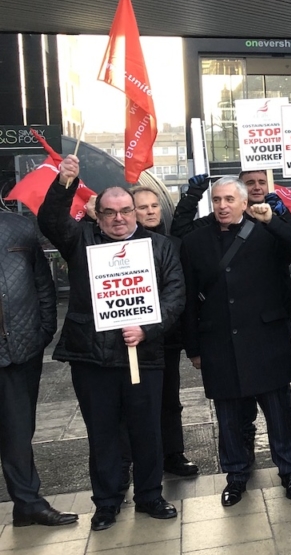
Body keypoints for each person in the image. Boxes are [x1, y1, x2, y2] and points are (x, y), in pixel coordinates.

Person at [38, 155, 185, 530]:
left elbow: (174, 294)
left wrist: (148, 329)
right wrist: (64, 183)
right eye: (110, 213)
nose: (119, 218)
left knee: (147, 430)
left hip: (144, 355)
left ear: (136, 212)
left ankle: (150, 496)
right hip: (92, 356)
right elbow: (51, 221)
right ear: (97, 215)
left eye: (126, 211)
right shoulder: (79, 240)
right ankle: (106, 502)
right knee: (102, 434)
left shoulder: (159, 246)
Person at [180, 177, 291, 507]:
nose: (222, 206)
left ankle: (289, 470)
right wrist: (193, 348)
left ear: (242, 203)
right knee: (229, 417)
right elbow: (190, 299)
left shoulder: (266, 229)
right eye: (217, 200)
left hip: (266, 339)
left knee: (279, 414)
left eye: (228, 200)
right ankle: (236, 474)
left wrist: (273, 220)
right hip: (219, 342)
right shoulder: (195, 241)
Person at [0, 211, 75, 527]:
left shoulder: (18, 227)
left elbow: (43, 282)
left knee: (18, 432)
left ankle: (28, 504)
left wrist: (43, 329)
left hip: (18, 348)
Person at [131, 186, 199, 478]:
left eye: (153, 206)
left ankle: (173, 453)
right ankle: (136, 459)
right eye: (142, 206)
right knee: (133, 403)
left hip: (165, 336)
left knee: (169, 399)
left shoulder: (173, 243)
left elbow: (183, 291)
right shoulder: (115, 243)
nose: (149, 211)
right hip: (128, 338)